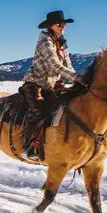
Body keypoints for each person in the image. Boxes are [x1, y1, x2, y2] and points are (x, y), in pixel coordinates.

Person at [20, 10, 78, 161]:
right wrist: (77, 77)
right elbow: (55, 66)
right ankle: (29, 148)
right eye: (61, 24)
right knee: (38, 110)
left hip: (51, 86)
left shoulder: (61, 43)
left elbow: (68, 65)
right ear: (52, 26)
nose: (63, 27)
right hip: (36, 84)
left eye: (64, 24)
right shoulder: (45, 41)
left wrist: (76, 79)